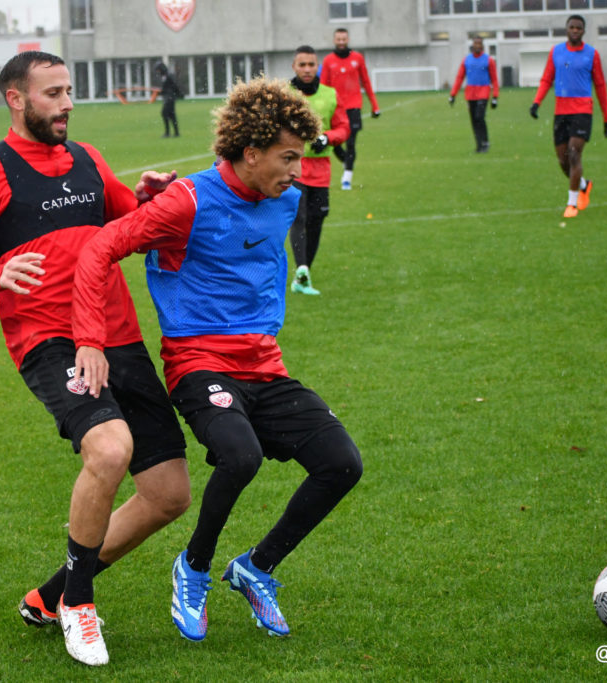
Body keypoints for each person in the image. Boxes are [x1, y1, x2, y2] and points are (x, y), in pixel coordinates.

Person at [71, 77, 363, 642]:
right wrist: (89, 337)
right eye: (287, 158)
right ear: (251, 152)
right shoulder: (186, 201)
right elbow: (100, 248)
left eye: (301, 157)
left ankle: (257, 567)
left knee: (342, 464)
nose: (298, 170)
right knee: (240, 455)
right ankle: (194, 567)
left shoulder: (286, 199)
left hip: (265, 364)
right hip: (198, 362)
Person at [0, 51, 190, 667]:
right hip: (49, 338)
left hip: (117, 333)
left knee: (168, 494)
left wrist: (150, 197)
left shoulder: (89, 159)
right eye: (53, 94)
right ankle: (79, 602)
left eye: (69, 91)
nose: (67, 103)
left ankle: (50, 596)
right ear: (16, 99)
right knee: (110, 450)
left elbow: (132, 221)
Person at [530, 14, 607, 218]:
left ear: (583, 31)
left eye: (579, 27)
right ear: (566, 29)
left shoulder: (591, 54)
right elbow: (546, 79)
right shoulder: (556, 52)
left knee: (574, 153)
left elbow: (600, 86)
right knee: (563, 161)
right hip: (561, 111)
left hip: (582, 110)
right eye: (572, 27)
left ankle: (571, 204)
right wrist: (536, 102)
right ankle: (584, 185)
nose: (575, 30)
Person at [288, 45, 349, 296]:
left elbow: (343, 127)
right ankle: (301, 268)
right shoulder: (285, 95)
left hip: (321, 170)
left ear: (317, 67)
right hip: (293, 167)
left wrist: (328, 138)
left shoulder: (330, 95)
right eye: (302, 64)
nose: (306, 69)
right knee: (298, 217)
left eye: (311, 64)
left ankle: (303, 275)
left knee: (316, 220)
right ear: (294, 66)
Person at [320, 27, 380, 190]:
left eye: (344, 39)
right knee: (334, 143)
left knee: (351, 142)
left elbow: (366, 82)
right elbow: (323, 86)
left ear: (348, 40)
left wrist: (374, 105)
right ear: (334, 40)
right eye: (338, 39)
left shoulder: (357, 58)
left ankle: (347, 178)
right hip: (335, 108)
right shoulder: (328, 60)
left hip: (354, 107)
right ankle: (348, 162)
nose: (341, 42)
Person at [449, 37, 500, 153]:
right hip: (470, 94)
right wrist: (453, 94)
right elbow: (460, 78)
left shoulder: (488, 60)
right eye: (475, 44)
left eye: (479, 44)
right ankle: (479, 145)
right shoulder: (467, 60)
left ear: (482, 46)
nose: (477, 46)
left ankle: (485, 142)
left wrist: (495, 97)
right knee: (474, 120)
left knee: (479, 117)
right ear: (472, 46)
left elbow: (494, 79)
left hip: (483, 93)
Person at [155, 62, 182, 137]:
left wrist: (178, 93)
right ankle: (176, 133)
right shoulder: (165, 76)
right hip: (169, 97)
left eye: (158, 70)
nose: (158, 72)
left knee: (164, 113)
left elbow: (173, 86)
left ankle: (168, 133)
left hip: (169, 98)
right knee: (171, 115)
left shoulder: (167, 76)